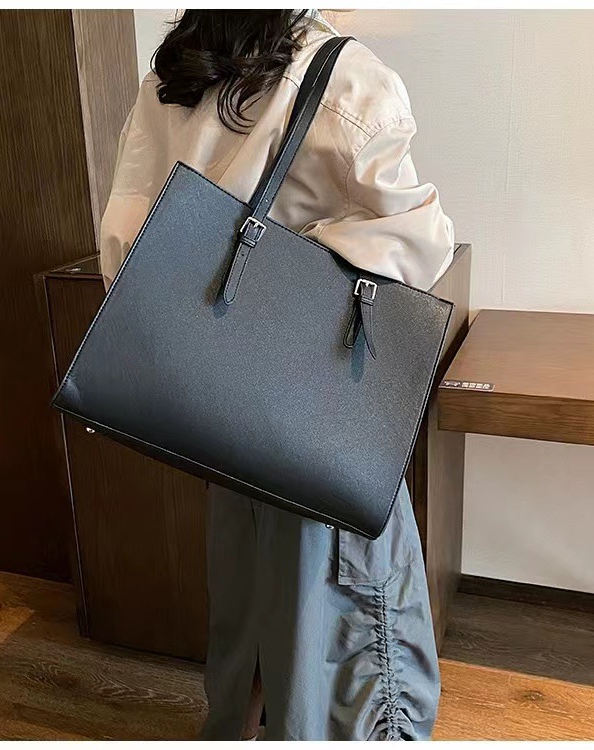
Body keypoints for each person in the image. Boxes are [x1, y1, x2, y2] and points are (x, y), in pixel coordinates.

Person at [100, 10, 455, 742]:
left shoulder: (179, 71)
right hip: (317, 404)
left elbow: (126, 250)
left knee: (249, 584)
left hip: (219, 399)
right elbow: (417, 251)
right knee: (345, 599)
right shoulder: (347, 79)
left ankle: (242, 725)